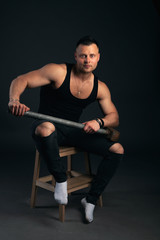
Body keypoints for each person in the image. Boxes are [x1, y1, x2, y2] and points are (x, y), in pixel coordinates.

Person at [8, 36, 124, 223]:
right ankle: (60, 180)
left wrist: (99, 122)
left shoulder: (100, 87)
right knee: (47, 128)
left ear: (98, 58)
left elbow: (114, 117)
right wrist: (14, 100)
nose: (87, 60)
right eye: (83, 56)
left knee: (117, 150)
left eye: (91, 56)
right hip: (45, 126)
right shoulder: (58, 71)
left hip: (73, 131)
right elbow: (21, 80)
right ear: (76, 56)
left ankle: (91, 200)